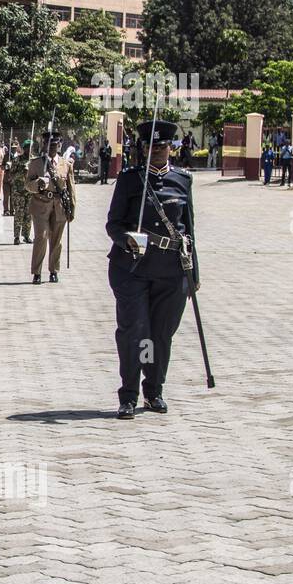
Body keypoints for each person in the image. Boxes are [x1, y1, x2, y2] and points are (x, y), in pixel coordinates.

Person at [105, 119, 200, 420]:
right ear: (144, 148)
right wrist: (127, 239)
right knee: (135, 330)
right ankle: (129, 394)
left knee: (160, 334)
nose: (157, 151)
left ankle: (154, 390)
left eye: (162, 146)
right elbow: (113, 224)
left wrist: (193, 273)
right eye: (151, 146)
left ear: (171, 148)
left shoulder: (183, 180)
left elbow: (189, 229)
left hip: (171, 271)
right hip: (132, 269)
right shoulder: (130, 179)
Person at [25, 130, 76, 283]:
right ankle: (37, 272)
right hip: (40, 204)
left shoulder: (65, 164)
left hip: (59, 206)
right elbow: (27, 184)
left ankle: (54, 270)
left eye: (55, 144)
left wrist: (72, 208)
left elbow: (70, 187)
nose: (52, 147)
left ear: (60, 145)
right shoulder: (36, 163)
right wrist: (37, 184)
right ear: (44, 145)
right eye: (49, 144)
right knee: (42, 236)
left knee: (56, 240)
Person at [8, 141, 32, 246]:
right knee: (18, 214)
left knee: (28, 215)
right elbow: (11, 175)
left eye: (30, 147)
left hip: (29, 192)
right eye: (26, 147)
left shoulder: (33, 161)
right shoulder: (17, 160)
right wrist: (22, 170)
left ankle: (26, 235)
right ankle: (16, 237)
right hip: (18, 191)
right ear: (23, 148)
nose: (28, 149)